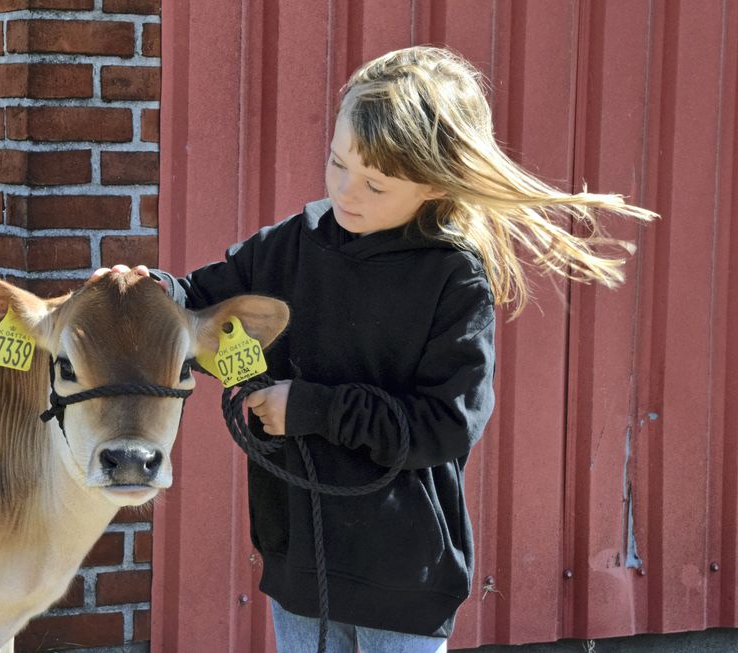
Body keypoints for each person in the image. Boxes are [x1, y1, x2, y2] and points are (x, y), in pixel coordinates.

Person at [105, 45, 655, 653]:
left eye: (375, 183)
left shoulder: (453, 279)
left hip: (402, 576)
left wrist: (312, 409)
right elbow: (198, 302)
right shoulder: (288, 246)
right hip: (298, 565)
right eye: (337, 163)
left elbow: (445, 425)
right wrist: (149, 293)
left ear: (434, 183)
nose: (347, 192)